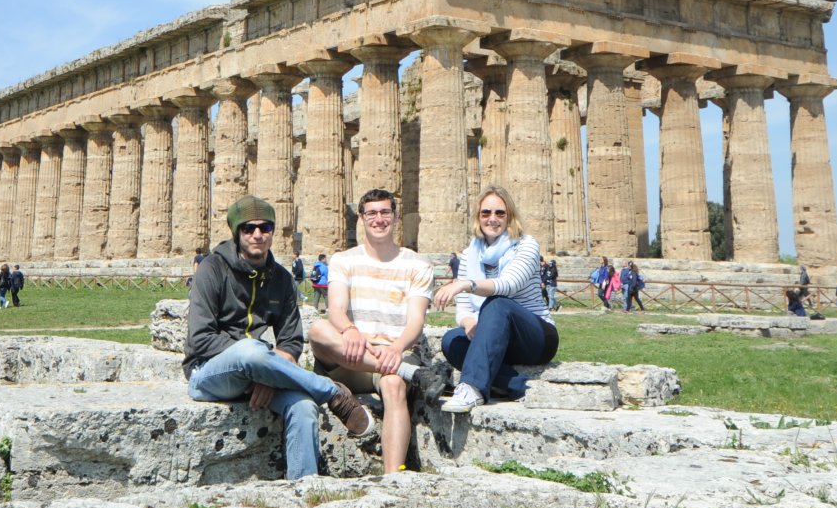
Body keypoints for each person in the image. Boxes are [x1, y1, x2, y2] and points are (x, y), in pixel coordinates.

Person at [184, 195, 372, 479]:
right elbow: (201, 339)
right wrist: (260, 364)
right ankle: (331, 391)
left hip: (259, 371)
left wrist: (267, 371)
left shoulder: (282, 279)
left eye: (265, 227)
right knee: (250, 350)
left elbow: (292, 341)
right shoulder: (212, 270)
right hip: (209, 374)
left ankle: (303, 488)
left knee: (305, 407)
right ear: (237, 233)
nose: (257, 234)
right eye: (248, 228)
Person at [308, 188, 443, 474]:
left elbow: (415, 321)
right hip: (352, 356)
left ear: (394, 217)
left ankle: (393, 476)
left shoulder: (418, 264)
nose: (379, 219)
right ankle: (411, 374)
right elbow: (335, 309)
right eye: (372, 213)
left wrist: (396, 349)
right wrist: (349, 329)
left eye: (385, 212)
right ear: (361, 218)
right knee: (319, 330)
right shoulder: (343, 260)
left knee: (394, 386)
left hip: (395, 357)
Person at [431, 185, 558, 415]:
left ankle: (472, 387)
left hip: (534, 337)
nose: (492, 219)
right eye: (486, 213)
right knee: (452, 341)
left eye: (500, 213)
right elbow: (464, 308)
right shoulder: (470, 254)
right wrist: (470, 325)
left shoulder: (526, 245)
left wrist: (467, 284)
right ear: (478, 218)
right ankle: (520, 386)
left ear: (510, 216)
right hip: (494, 335)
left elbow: (508, 285)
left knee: (497, 303)